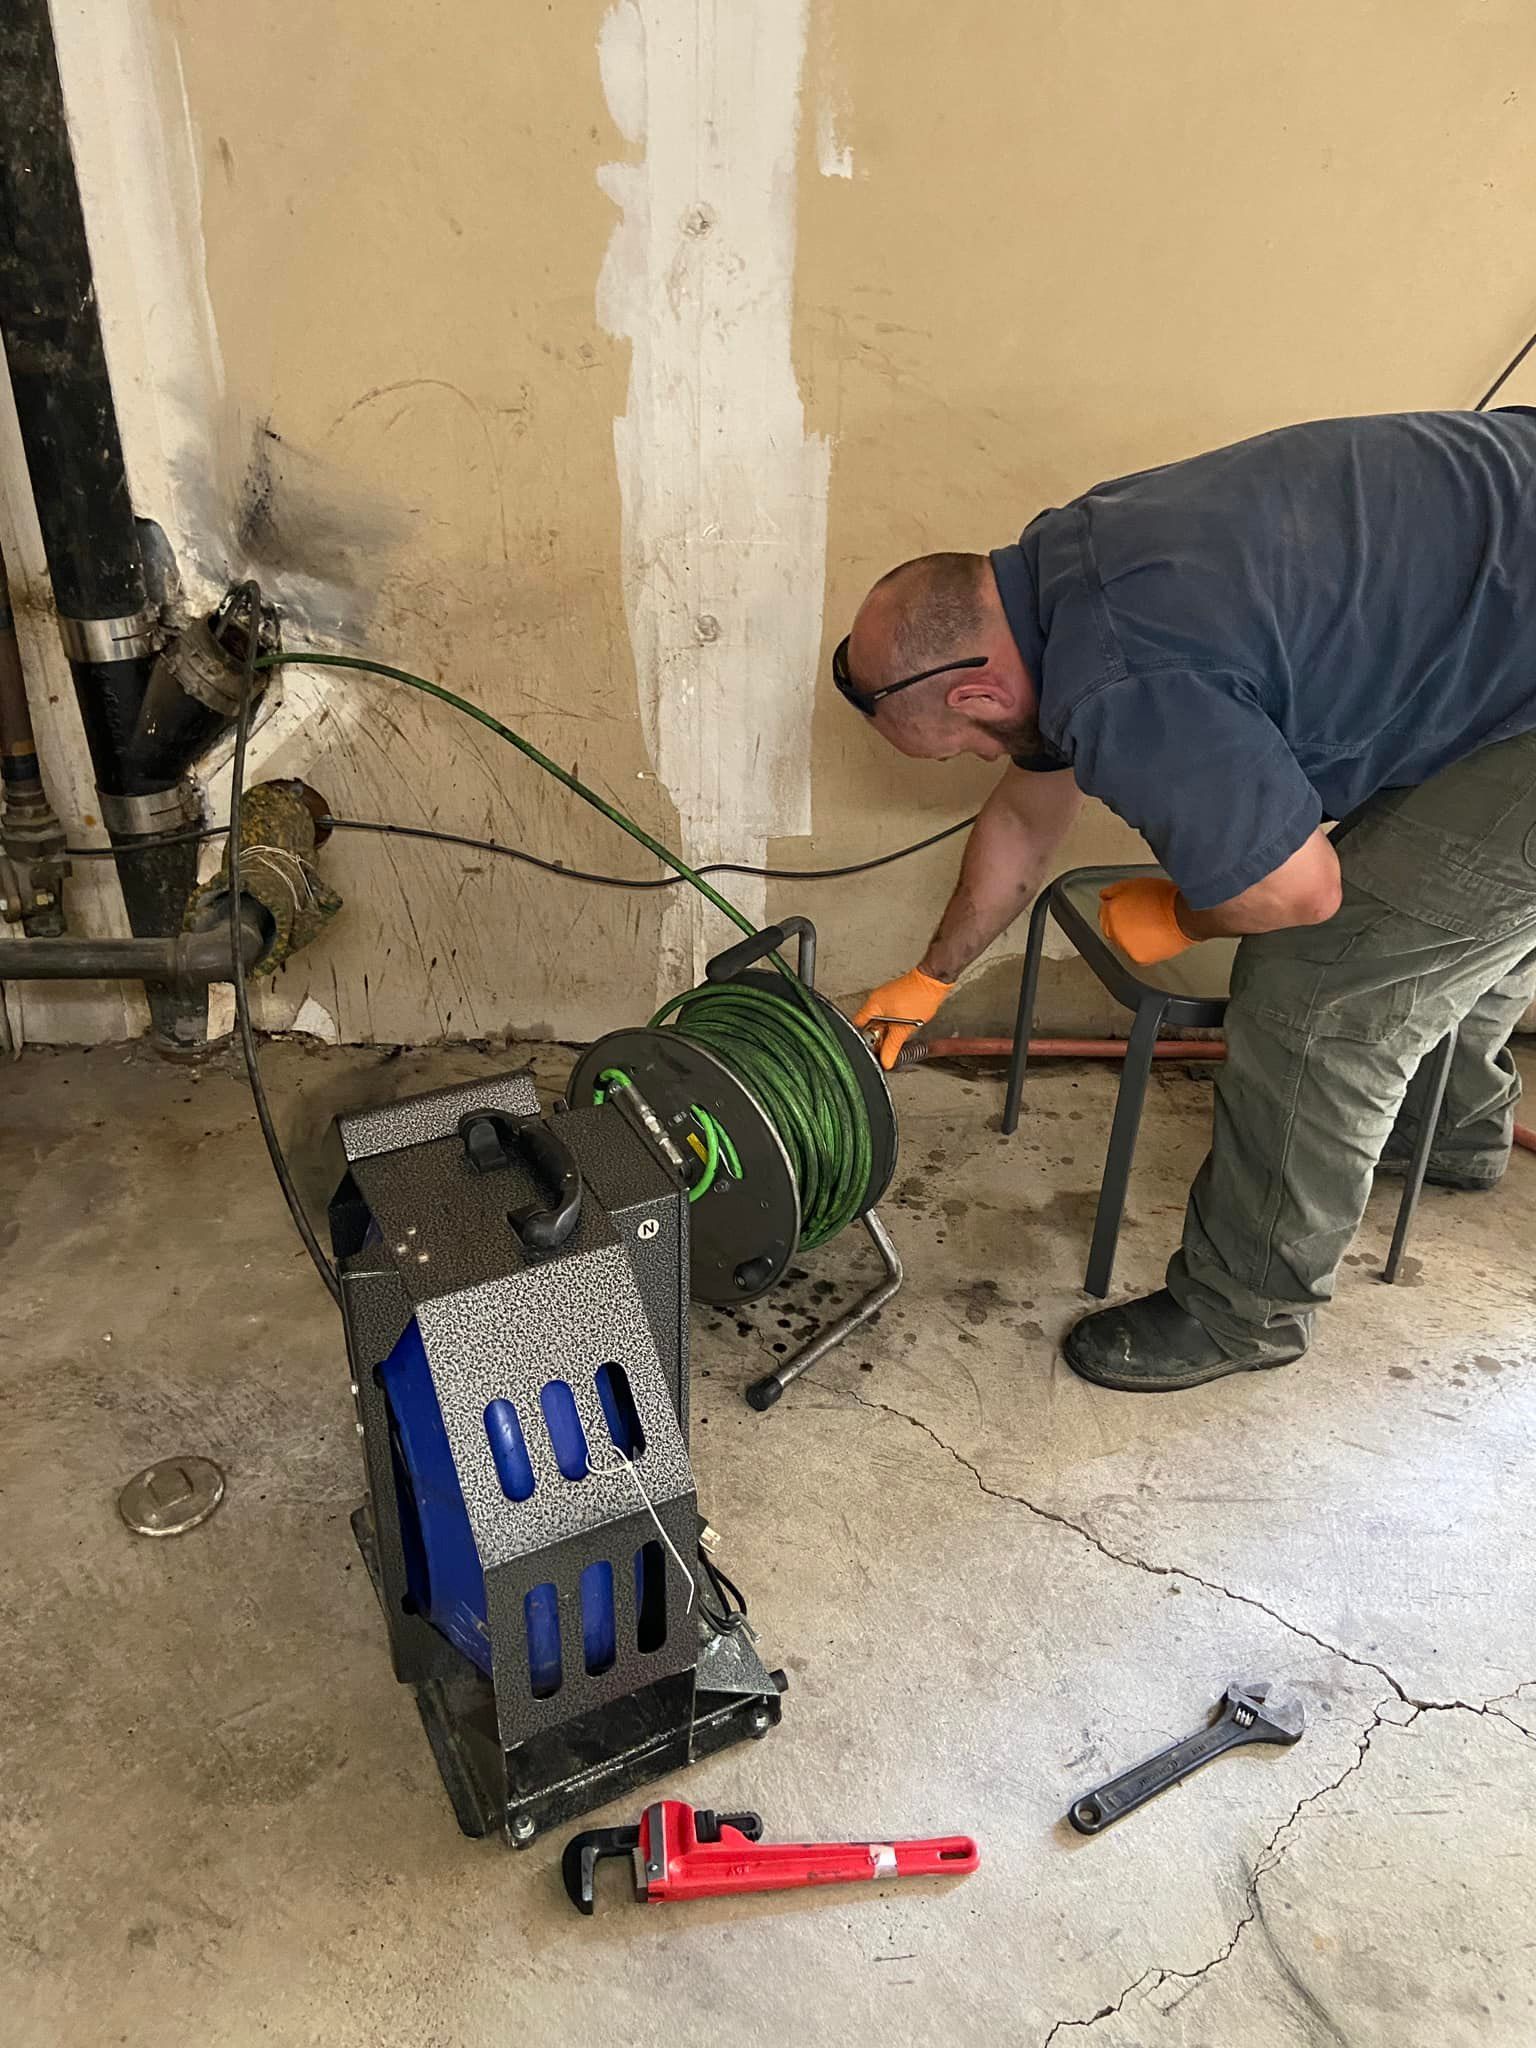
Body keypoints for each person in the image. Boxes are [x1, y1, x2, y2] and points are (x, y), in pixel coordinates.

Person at [841, 410, 1536, 1392]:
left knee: (1318, 992)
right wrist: (930, 976)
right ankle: (1453, 1129)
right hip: (1510, 580)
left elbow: (1297, 889)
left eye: (968, 745)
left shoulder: (1119, 670)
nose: (989, 758)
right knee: (1448, 914)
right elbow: (1030, 809)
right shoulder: (1061, 567)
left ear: (970, 696)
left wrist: (1188, 914)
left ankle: (1245, 1309)